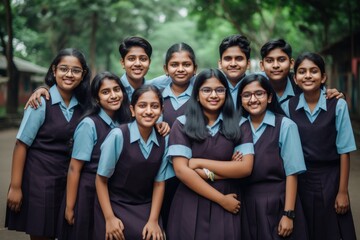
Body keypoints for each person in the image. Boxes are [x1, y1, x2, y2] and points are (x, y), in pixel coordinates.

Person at [5, 48, 91, 240]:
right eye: (63, 69)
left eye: (76, 70)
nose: (69, 74)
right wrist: (15, 187)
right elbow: (21, 145)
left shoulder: (84, 104)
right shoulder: (41, 102)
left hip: (67, 181)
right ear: (54, 71)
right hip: (39, 181)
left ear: (83, 74)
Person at [166, 68, 254, 239]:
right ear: (197, 95)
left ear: (226, 94)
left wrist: (198, 163)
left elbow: (245, 168)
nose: (213, 95)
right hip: (191, 201)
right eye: (206, 90)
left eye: (219, 90)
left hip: (230, 202)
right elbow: (182, 171)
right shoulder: (182, 124)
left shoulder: (241, 123)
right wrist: (222, 198)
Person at [283, 52, 357, 240]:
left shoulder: (337, 104)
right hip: (301, 179)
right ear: (295, 79)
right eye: (302, 72)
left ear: (323, 77)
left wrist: (342, 191)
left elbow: (344, 151)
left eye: (314, 71)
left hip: (331, 178)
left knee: (333, 230)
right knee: (305, 228)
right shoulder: (288, 107)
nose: (308, 75)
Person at [57, 72, 131, 240]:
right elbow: (75, 168)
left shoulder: (124, 122)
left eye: (116, 89)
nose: (113, 96)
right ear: (97, 98)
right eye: (105, 92)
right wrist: (70, 206)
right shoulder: (89, 124)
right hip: (87, 192)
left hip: (112, 192)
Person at [94, 85, 173, 240]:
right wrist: (110, 219)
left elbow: (159, 183)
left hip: (145, 205)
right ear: (132, 110)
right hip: (114, 203)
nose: (149, 111)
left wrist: (154, 220)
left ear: (162, 111)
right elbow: (101, 180)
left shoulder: (164, 140)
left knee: (155, 235)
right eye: (142, 106)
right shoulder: (118, 136)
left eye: (155, 106)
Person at [236, 74, 308, 239]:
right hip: (246, 203)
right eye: (246, 95)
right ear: (240, 99)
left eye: (259, 94)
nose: (253, 99)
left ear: (269, 97)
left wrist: (288, 214)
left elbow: (292, 172)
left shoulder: (285, 126)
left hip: (277, 202)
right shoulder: (237, 127)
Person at [158, 42, 197, 230]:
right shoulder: (154, 97)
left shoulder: (202, 98)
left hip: (192, 171)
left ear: (195, 68)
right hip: (157, 172)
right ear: (166, 68)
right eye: (174, 64)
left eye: (186, 64)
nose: (180, 69)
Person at [260, 39, 344, 107]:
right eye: (269, 61)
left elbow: (328, 95)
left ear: (291, 63)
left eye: (281, 60)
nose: (275, 65)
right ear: (262, 65)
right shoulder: (256, 85)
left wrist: (336, 95)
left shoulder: (303, 82)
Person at [218, 34, 251, 107]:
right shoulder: (212, 90)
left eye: (239, 59)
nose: (233, 64)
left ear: (248, 64)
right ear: (220, 63)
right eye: (228, 59)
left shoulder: (257, 88)